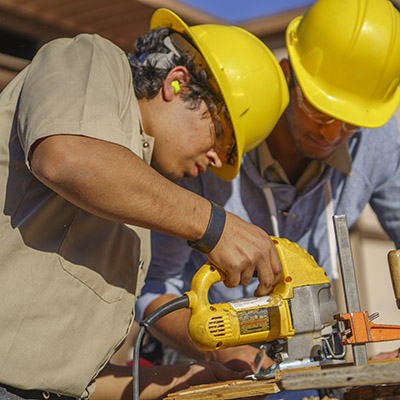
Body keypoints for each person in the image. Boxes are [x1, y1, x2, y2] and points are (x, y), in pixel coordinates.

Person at [0, 7, 290, 400]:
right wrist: (215, 224)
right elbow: (65, 156)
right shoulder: (91, 58)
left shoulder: (133, 209)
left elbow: (60, 379)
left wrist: (185, 380)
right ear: (176, 82)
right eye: (221, 135)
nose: (218, 160)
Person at [135, 0, 400, 393]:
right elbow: (156, 288)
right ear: (290, 72)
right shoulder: (205, 146)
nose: (332, 134)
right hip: (207, 362)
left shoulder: (379, 137)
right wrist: (220, 350)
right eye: (320, 111)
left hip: (315, 360)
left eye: (350, 123)